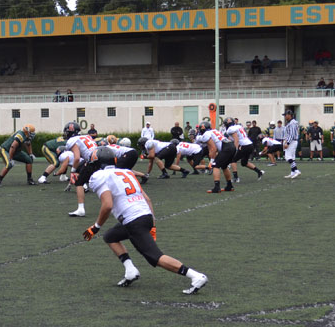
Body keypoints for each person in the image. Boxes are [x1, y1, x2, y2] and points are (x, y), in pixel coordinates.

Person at [81, 146, 208, 294]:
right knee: (110, 236)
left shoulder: (98, 176)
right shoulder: (126, 172)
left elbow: (107, 205)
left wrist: (96, 227)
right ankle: (130, 271)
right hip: (145, 216)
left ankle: (195, 276)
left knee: (155, 257)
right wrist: (152, 224)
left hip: (133, 221)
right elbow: (147, 199)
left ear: (97, 163)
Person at [64, 122, 98, 217]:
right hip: (100, 158)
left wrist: (73, 171)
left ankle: (81, 209)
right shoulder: (87, 136)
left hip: (94, 161)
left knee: (79, 183)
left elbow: (77, 158)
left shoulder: (72, 140)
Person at [197, 122, 236, 193]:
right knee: (224, 166)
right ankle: (229, 186)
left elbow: (214, 149)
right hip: (231, 146)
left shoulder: (206, 134)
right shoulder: (214, 130)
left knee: (215, 166)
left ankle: (217, 188)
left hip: (226, 148)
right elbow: (213, 148)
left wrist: (212, 161)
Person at [223, 117, 265, 182]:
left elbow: (236, 139)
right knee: (244, 162)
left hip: (244, 145)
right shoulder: (238, 126)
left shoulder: (231, 129)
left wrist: (235, 149)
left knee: (232, 160)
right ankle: (259, 172)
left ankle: (236, 178)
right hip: (249, 145)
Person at [282, 110, 302, 179]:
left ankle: (296, 170)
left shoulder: (292, 123)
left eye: (286, 115)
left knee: (287, 157)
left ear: (289, 115)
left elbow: (292, 134)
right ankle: (292, 172)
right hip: (292, 141)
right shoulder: (291, 122)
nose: (285, 116)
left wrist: (287, 142)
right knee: (292, 157)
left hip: (291, 141)